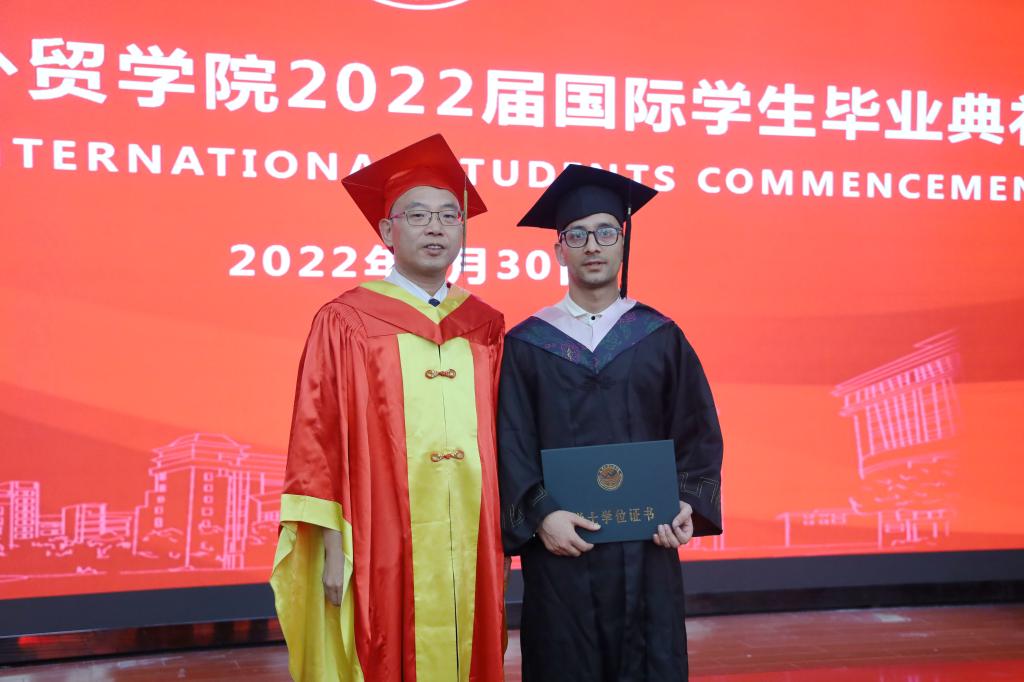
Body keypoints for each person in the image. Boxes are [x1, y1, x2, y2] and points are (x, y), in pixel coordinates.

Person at [271, 134, 506, 681]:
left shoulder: (486, 325)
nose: (435, 227)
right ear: (386, 231)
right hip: (377, 534)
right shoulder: (346, 320)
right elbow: (318, 440)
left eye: (449, 216)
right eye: (417, 215)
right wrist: (334, 548)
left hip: (473, 534)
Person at [497, 165, 724, 681]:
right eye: (577, 235)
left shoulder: (659, 337)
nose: (593, 246)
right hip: (562, 554)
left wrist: (686, 503)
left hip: (648, 549)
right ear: (559, 251)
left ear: (623, 243)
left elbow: (697, 430)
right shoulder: (527, 345)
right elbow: (510, 441)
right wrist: (541, 515)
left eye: (605, 232)